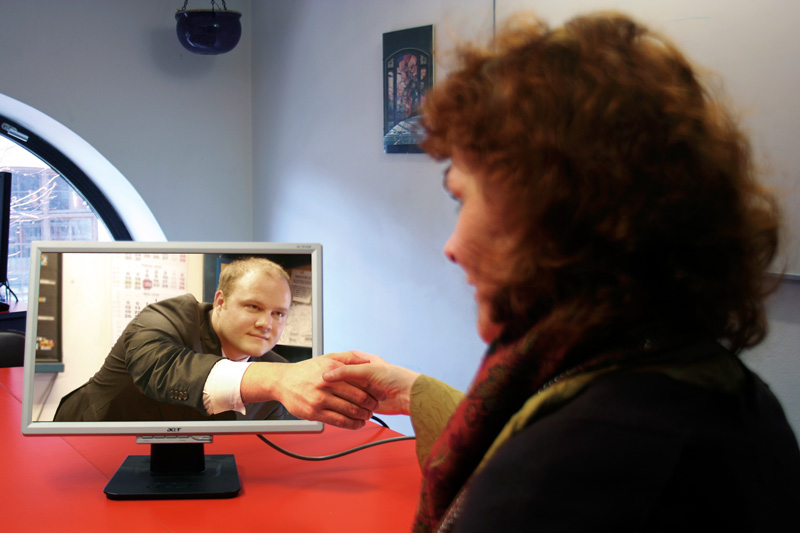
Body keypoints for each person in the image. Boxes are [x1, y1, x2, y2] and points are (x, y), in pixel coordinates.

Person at [323, 11, 800, 532]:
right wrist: (413, 390)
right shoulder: (710, 387)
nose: (451, 248)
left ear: (551, 211)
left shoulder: (576, 463)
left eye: (460, 199)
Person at [54, 257, 377, 429]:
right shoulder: (167, 316)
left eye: (279, 313)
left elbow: (257, 443)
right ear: (220, 301)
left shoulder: (275, 369)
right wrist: (281, 381)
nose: (267, 323)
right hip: (86, 441)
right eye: (253, 307)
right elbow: (162, 370)